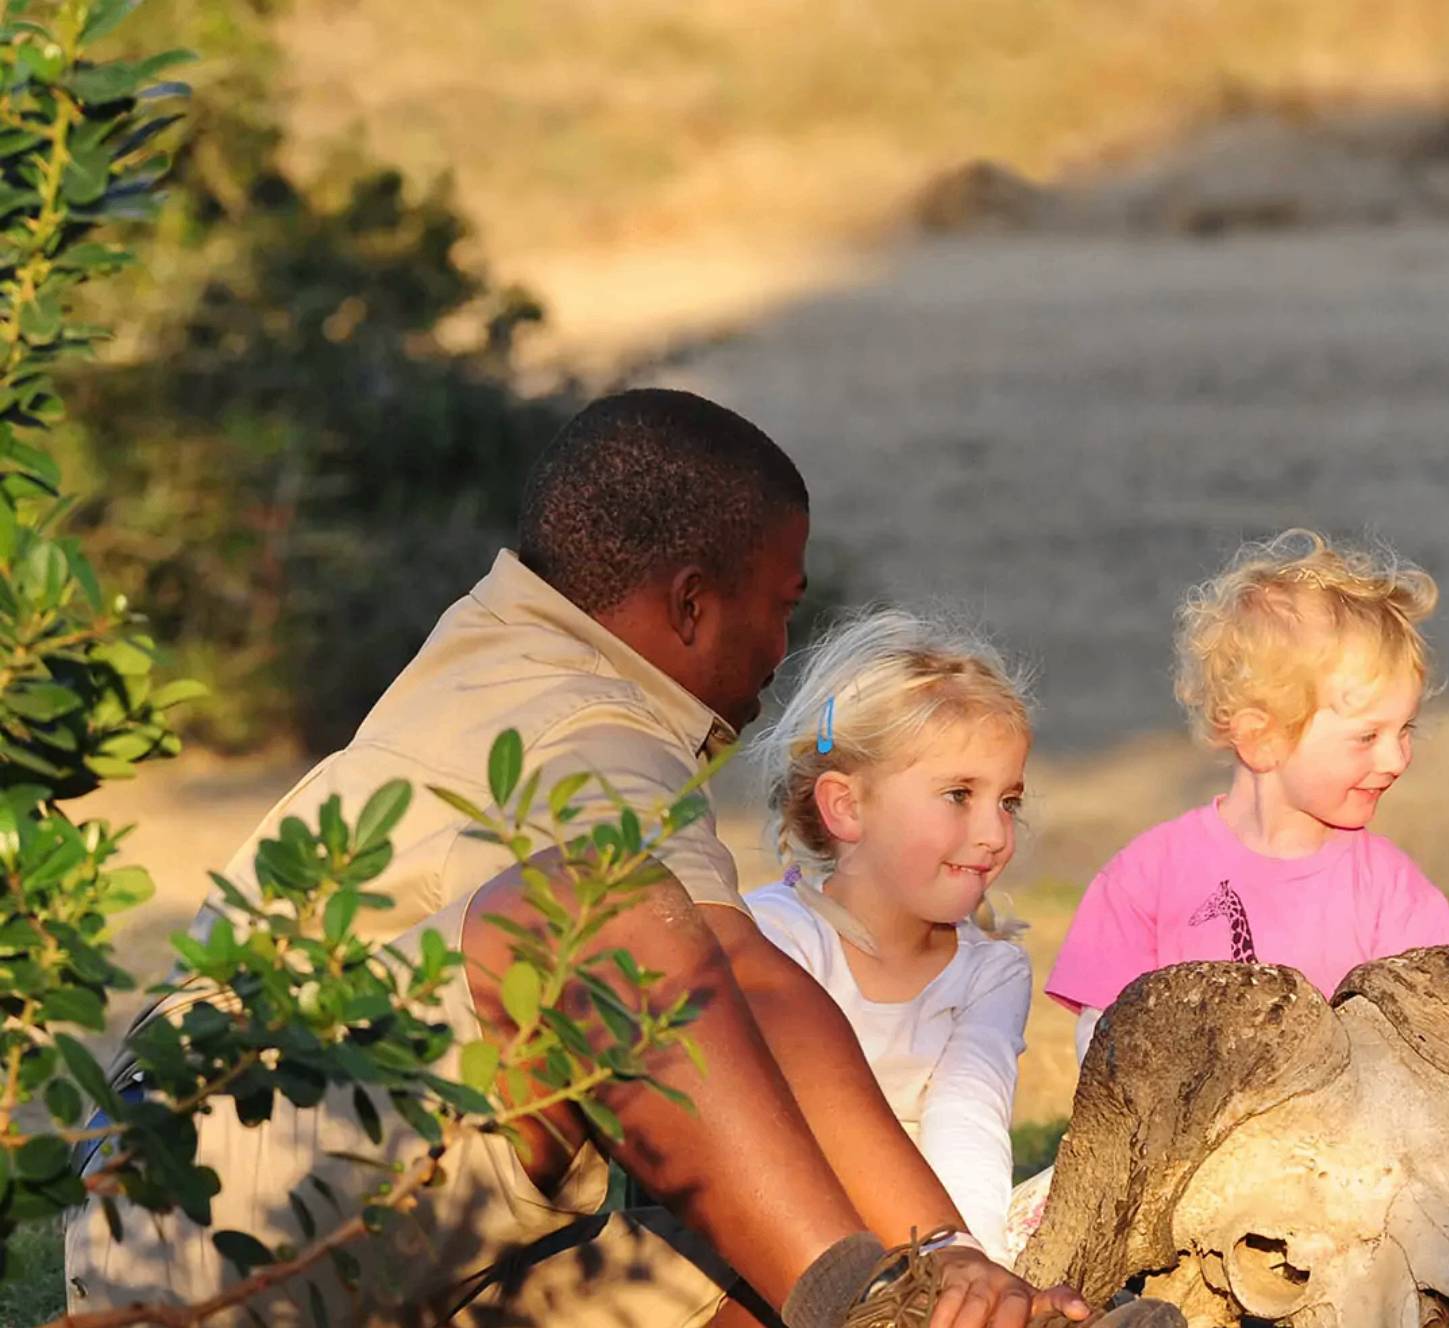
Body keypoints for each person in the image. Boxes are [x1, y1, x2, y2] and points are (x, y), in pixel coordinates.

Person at [69, 390, 1085, 1328]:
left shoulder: (523, 650)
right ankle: (876, 1312)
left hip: (357, 1231)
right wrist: (929, 1257)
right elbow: (755, 987)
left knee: (741, 1243)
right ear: (691, 607)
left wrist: (962, 1272)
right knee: (603, 911)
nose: (782, 649)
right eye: (779, 604)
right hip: (196, 1220)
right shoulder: (581, 717)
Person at [1044, 529, 1449, 1058]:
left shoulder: (1395, 896)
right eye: (1367, 737)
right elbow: (1104, 1053)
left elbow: (1439, 1048)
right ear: (1260, 737)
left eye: (1406, 730)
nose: (1396, 759)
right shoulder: (1146, 880)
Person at [742, 610, 1036, 1255]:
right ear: (846, 806)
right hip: (782, 1236)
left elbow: (969, 1120)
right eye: (959, 794)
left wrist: (964, 1263)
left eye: (1008, 801)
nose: (994, 834)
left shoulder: (992, 972)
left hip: (930, 1242)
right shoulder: (770, 937)